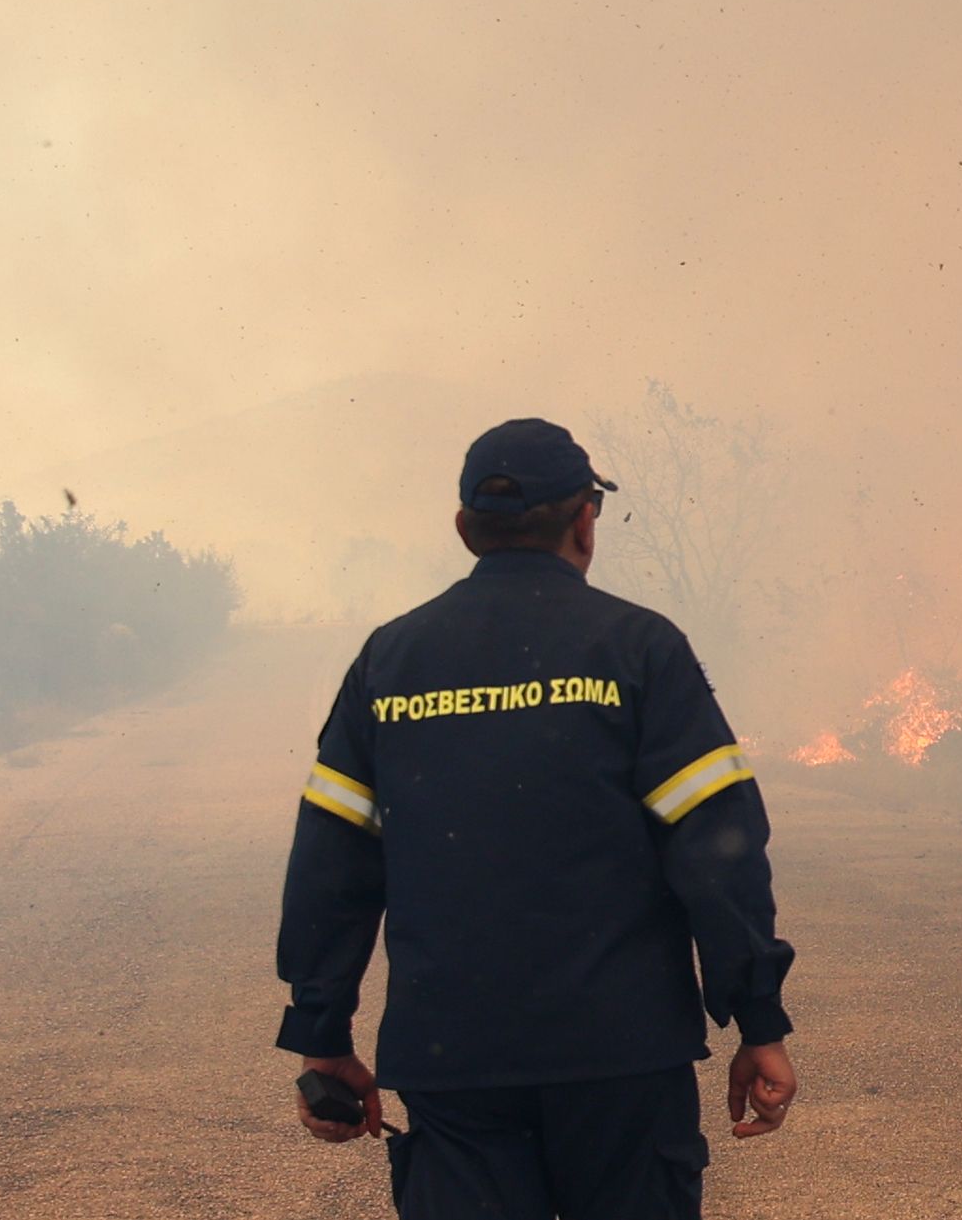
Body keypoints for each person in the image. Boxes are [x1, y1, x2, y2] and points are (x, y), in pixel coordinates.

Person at [276, 417, 799, 1218]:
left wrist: (323, 1030)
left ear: (464, 530)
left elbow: (331, 861)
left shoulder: (390, 659)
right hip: (620, 1057)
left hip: (454, 1061)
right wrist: (757, 1017)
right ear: (586, 521)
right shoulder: (638, 648)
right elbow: (717, 848)